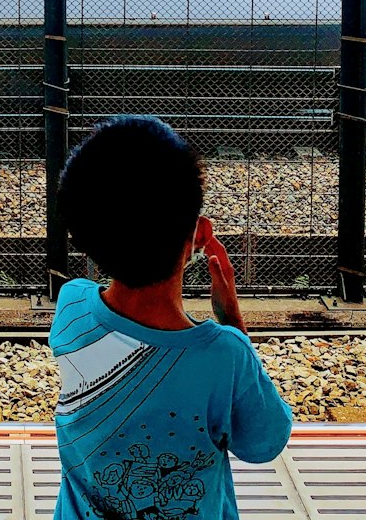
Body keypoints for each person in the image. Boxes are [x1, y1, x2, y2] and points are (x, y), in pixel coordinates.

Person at [49, 115, 293, 520]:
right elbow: (264, 441)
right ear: (200, 234)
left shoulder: (71, 307)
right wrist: (232, 320)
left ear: (84, 238)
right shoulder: (224, 354)